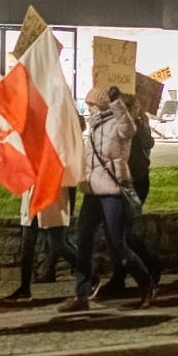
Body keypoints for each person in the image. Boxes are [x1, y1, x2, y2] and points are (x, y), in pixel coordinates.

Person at [60, 86, 158, 312]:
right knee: (83, 242)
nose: (88, 107)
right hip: (92, 192)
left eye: (92, 103)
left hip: (112, 192)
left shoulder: (120, 123)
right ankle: (81, 296)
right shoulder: (94, 126)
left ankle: (147, 285)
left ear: (103, 104)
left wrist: (116, 101)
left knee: (118, 244)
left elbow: (129, 128)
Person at [101, 95, 160, 297]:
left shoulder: (140, 124)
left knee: (122, 232)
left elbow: (147, 143)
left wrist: (136, 121)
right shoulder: (116, 123)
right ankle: (122, 277)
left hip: (137, 182)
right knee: (118, 231)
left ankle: (147, 267)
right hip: (120, 181)